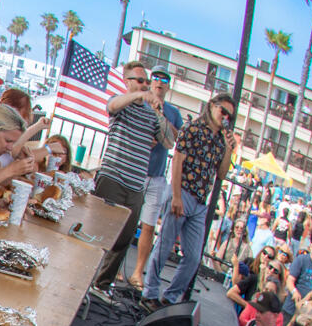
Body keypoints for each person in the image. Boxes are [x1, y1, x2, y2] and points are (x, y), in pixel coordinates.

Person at [141, 92, 233, 308]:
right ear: (212, 106)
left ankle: (170, 297)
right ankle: (150, 292)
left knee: (193, 257)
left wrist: (229, 150)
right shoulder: (192, 128)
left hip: (200, 202)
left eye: (230, 115)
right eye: (223, 111)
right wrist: (176, 196)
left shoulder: (221, 139)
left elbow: (221, 173)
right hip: (183, 193)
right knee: (164, 247)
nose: (226, 117)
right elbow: (178, 162)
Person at [91, 61, 173, 295]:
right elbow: (113, 105)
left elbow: (168, 141)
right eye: (140, 80)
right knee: (100, 232)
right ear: (127, 82)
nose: (146, 85)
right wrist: (139, 96)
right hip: (113, 177)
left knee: (124, 239)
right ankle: (84, 279)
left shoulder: (151, 113)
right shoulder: (121, 102)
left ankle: (102, 284)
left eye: (147, 81)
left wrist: (160, 113)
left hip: (136, 185)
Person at [127, 68, 184, 292]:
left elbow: (176, 139)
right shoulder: (139, 102)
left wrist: (160, 115)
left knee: (149, 226)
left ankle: (137, 272)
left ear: (169, 86)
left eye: (165, 80)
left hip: (157, 175)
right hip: (135, 170)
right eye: (157, 78)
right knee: (127, 222)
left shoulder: (173, 112)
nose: (160, 82)